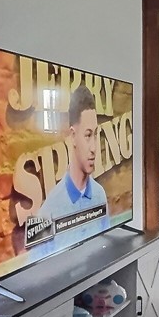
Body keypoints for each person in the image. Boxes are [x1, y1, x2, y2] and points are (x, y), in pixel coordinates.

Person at [40, 84, 110, 229]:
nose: (94, 148)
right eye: (88, 135)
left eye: (95, 134)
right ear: (73, 136)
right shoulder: (48, 211)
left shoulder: (100, 195)